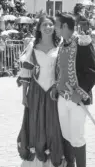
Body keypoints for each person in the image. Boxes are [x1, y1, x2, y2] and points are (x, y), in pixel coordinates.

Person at [16, 16, 65, 167]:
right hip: (36, 90)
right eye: (44, 24)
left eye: (51, 24)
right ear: (38, 28)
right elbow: (26, 71)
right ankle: (37, 157)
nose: (48, 27)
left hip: (54, 90)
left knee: (53, 123)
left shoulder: (61, 45)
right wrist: (24, 95)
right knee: (36, 122)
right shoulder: (33, 46)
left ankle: (54, 156)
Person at [53, 12, 95, 167]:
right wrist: (56, 86)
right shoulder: (61, 44)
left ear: (65, 26)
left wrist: (79, 93)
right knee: (66, 135)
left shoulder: (82, 42)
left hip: (77, 99)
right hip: (62, 97)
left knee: (77, 137)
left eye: (57, 25)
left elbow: (92, 71)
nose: (55, 29)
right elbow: (60, 70)